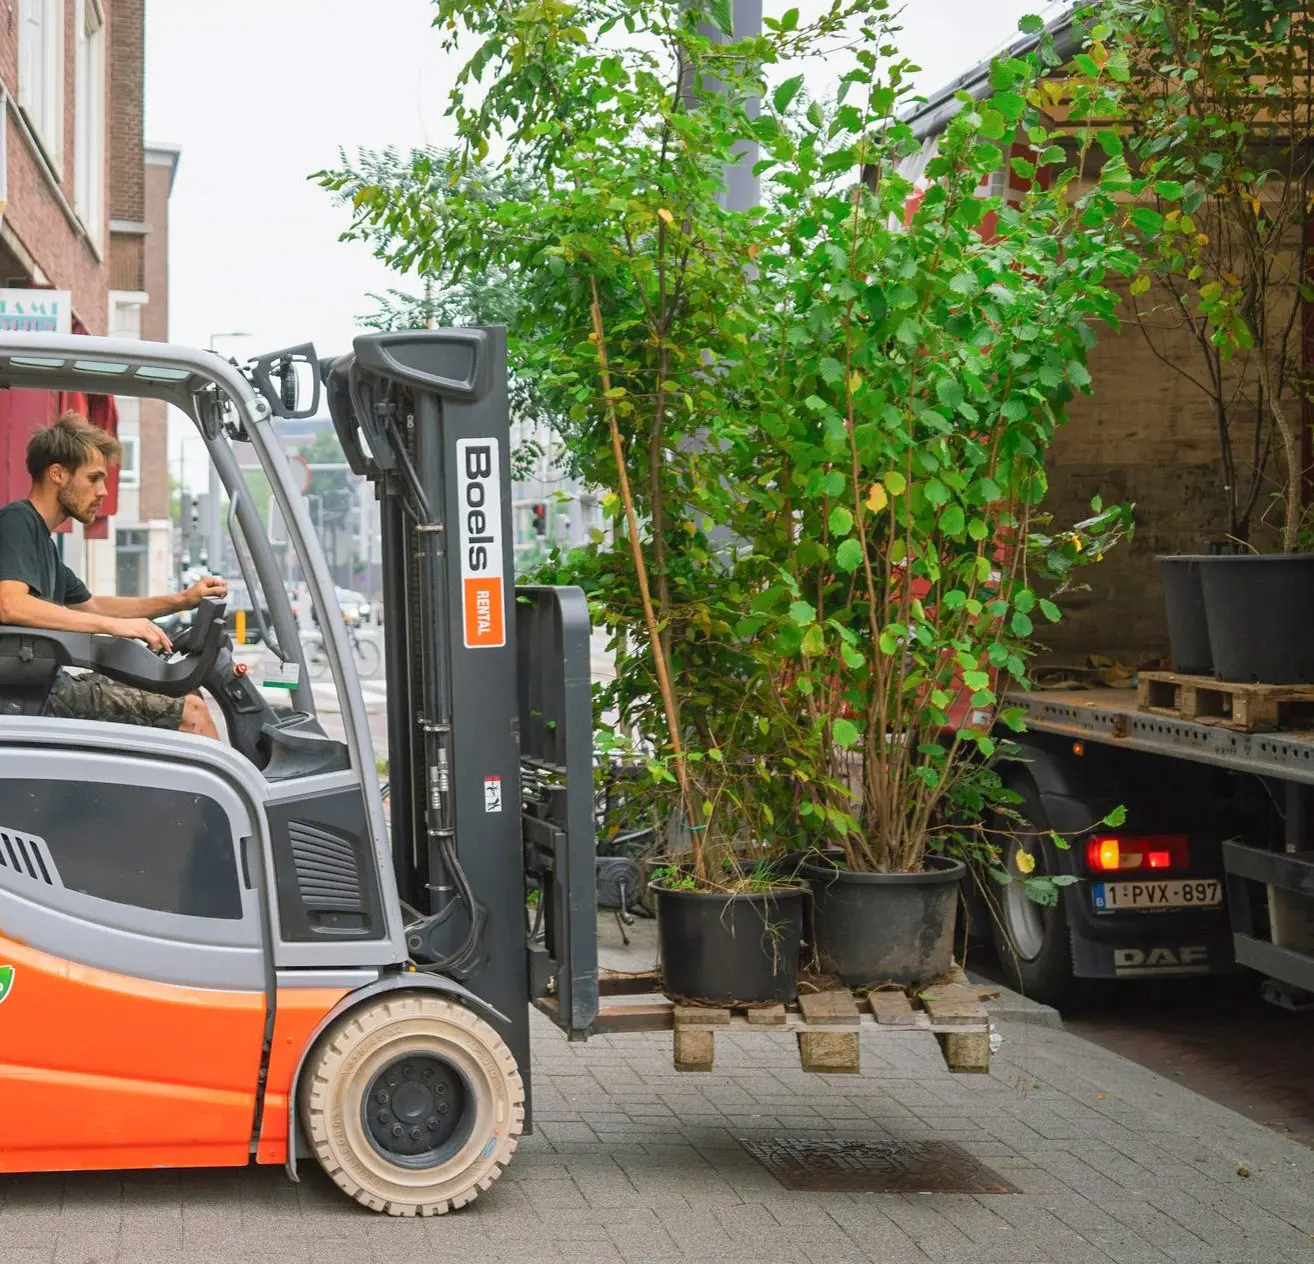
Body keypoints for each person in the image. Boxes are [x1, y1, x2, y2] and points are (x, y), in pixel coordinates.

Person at [0, 412, 227, 736]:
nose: (103, 491)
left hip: (41, 686)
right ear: (58, 474)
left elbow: (94, 607)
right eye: (93, 478)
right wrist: (113, 627)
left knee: (187, 694)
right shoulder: (17, 522)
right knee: (192, 713)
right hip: (27, 695)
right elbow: (10, 604)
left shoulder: (43, 544)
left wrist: (183, 599)